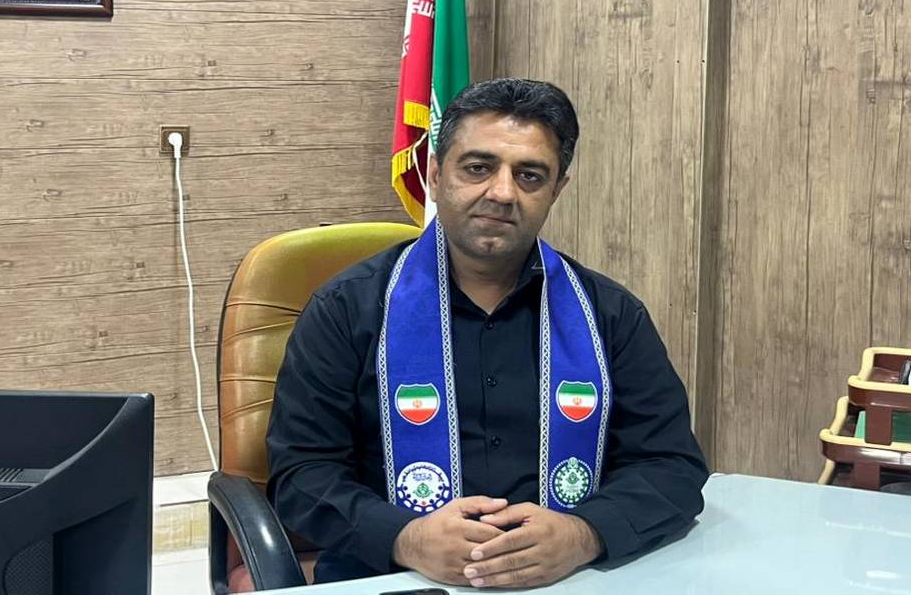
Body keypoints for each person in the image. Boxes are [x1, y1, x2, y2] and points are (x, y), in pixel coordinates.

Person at [266, 78, 709, 588]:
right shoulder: (346, 309)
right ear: (436, 175)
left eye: (529, 175)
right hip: (393, 575)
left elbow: (671, 465)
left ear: (557, 190)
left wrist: (585, 533)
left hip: (570, 577)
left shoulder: (609, 315)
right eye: (478, 168)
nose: (502, 193)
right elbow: (302, 474)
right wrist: (404, 538)